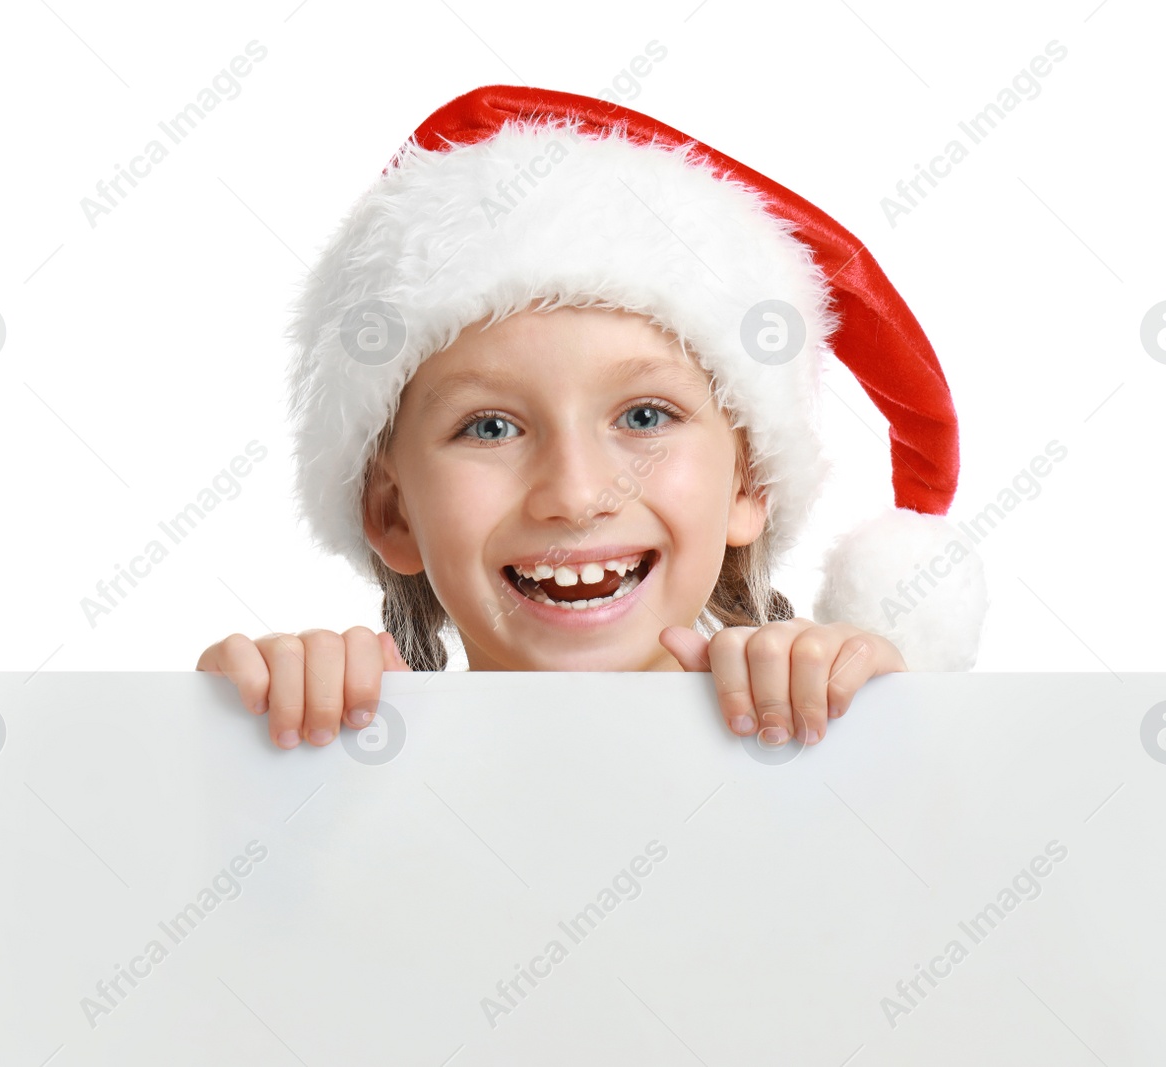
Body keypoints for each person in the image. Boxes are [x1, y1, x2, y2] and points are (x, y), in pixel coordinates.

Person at [198, 85, 987, 751]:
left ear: (751, 481)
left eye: (645, 414)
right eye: (490, 427)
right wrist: (243, 759)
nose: (575, 494)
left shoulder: (833, 743)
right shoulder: (334, 751)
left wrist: (881, 735)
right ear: (390, 508)